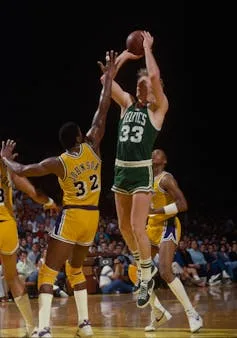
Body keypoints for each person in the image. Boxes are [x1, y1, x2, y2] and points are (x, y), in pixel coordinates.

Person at [1, 50, 116, 338]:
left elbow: (24, 169)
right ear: (79, 136)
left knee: (47, 272)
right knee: (75, 270)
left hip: (73, 216)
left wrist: (5, 160)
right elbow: (103, 111)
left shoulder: (58, 162)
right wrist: (109, 79)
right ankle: (85, 325)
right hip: (93, 219)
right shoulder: (93, 146)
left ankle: (43, 328)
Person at [99, 31, 169, 308]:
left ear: (154, 90)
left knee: (138, 227)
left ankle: (144, 277)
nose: (143, 86)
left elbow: (153, 77)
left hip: (141, 173)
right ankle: (146, 267)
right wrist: (127, 55)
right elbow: (106, 81)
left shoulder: (158, 110)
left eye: (147, 84)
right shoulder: (127, 104)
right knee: (125, 228)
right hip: (120, 171)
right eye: (139, 83)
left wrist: (148, 48)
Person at [129, 149, 203, 333]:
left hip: (167, 226)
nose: (154, 154)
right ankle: (158, 312)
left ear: (165, 160)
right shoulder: (145, 179)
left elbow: (183, 204)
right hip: (151, 227)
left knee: (164, 270)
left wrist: (155, 212)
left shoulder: (166, 178)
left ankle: (192, 313)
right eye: (152, 152)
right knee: (138, 272)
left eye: (158, 153)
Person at [0, 153, 56, 338]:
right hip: (5, 225)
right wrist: (48, 201)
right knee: (12, 277)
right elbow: (33, 192)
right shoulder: (6, 165)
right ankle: (32, 327)